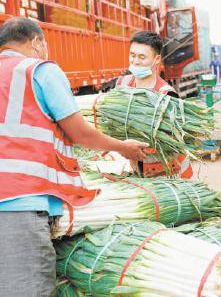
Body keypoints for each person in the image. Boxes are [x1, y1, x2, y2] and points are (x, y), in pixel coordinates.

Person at [0, 17, 148, 296]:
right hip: (18, 201)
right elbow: (79, 133)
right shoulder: (38, 70)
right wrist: (123, 147)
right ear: (37, 43)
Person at [116, 30, 193, 179]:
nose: (135, 61)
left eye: (142, 57)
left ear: (156, 59)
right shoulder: (122, 84)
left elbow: (169, 141)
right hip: (142, 170)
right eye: (132, 55)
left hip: (169, 173)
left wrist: (126, 144)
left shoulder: (165, 95)